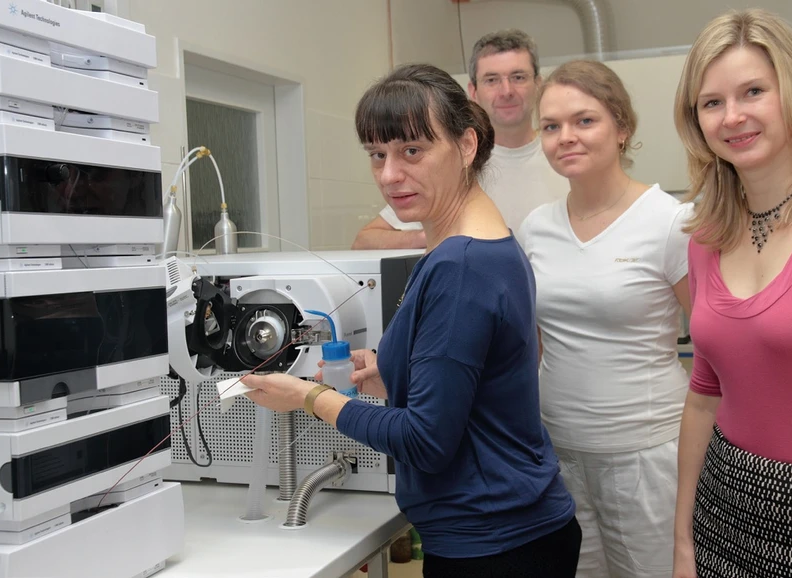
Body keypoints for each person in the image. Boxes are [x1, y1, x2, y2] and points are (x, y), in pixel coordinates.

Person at [241, 63, 582, 578]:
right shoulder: (483, 243)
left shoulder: (461, 265)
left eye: (412, 151)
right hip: (508, 528)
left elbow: (425, 441)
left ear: (466, 147)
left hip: (494, 544)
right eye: (378, 154)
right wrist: (395, 374)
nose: (389, 174)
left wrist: (308, 398)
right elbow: (487, 377)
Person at [671, 8, 792, 578]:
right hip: (727, 505)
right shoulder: (706, 235)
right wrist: (683, 544)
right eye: (712, 102)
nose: (734, 117)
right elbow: (704, 395)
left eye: (753, 91)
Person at [516, 59, 693, 578]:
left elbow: (714, 342)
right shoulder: (537, 227)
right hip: (560, 453)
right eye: (551, 126)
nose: (565, 137)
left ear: (623, 128)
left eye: (584, 120)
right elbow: (538, 343)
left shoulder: (670, 222)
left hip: (648, 454)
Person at [351, 29, 563, 249]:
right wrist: (439, 234)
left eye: (518, 77)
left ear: (538, 84)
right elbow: (365, 241)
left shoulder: (566, 155)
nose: (506, 91)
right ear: (473, 90)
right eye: (492, 80)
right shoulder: (453, 162)